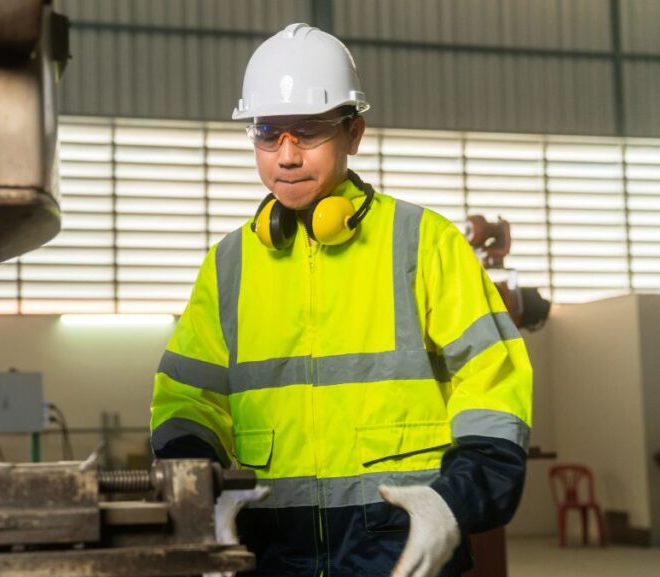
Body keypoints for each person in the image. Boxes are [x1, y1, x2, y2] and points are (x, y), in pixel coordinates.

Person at [149, 23, 532, 577]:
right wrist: (202, 495)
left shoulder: (424, 243)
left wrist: (454, 500)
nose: (285, 156)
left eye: (307, 132)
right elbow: (188, 401)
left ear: (354, 133)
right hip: (270, 546)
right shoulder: (228, 265)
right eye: (267, 133)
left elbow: (493, 385)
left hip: (402, 542)